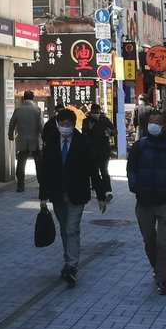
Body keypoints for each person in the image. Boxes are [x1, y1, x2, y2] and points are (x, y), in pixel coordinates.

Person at [38, 108, 107, 286]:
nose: (65, 127)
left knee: (72, 228)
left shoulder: (82, 142)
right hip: (58, 193)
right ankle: (68, 261)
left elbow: (93, 170)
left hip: (77, 193)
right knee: (64, 228)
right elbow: (45, 171)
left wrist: (100, 195)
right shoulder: (52, 141)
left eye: (68, 124)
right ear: (58, 124)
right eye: (62, 124)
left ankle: (71, 266)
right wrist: (43, 197)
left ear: (73, 124)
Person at [127, 109, 166, 295]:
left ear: (164, 126)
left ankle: (162, 277)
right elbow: (131, 168)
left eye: (157, 121)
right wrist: (134, 185)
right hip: (144, 200)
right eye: (151, 121)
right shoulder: (139, 146)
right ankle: (157, 268)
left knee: (164, 240)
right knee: (149, 240)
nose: (153, 124)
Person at [7, 91, 43, 193]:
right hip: (35, 140)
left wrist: (10, 135)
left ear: (23, 98)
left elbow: (12, 124)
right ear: (33, 98)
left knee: (21, 163)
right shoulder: (37, 110)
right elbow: (40, 125)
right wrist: (44, 137)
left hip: (22, 140)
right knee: (38, 163)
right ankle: (41, 184)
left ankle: (20, 185)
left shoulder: (18, 110)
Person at [81, 101, 114, 200]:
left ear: (100, 111)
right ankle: (95, 189)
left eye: (97, 112)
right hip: (92, 151)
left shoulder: (105, 120)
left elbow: (114, 130)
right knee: (94, 172)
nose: (96, 114)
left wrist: (110, 131)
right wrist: (89, 128)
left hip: (104, 150)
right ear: (91, 112)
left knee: (104, 171)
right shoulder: (87, 121)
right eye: (94, 112)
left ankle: (108, 191)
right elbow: (84, 132)